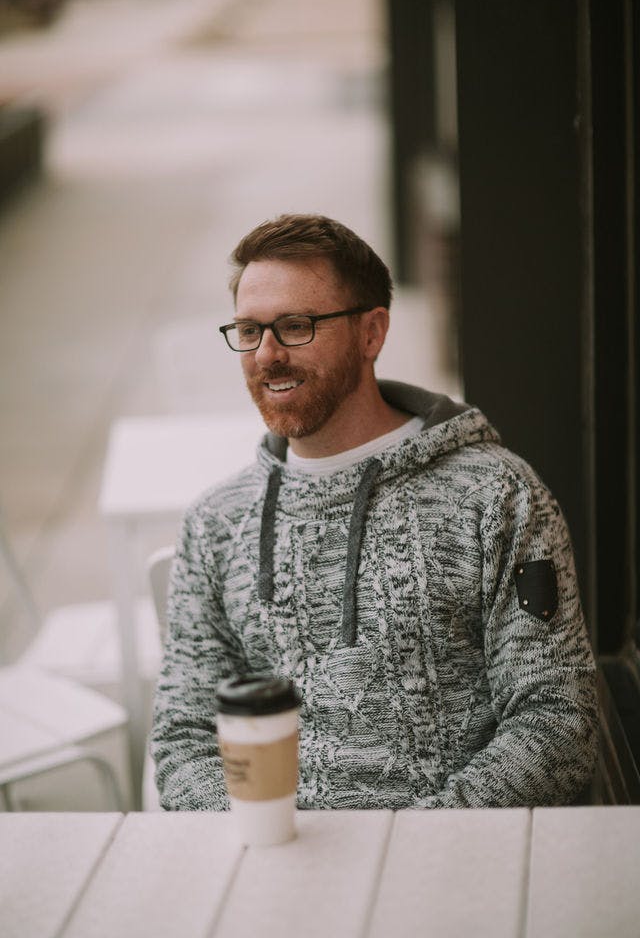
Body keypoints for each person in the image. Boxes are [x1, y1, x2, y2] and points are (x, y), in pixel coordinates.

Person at [150, 213, 599, 810]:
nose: (267, 355)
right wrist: (261, 834)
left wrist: (406, 846)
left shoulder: (496, 496)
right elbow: (185, 735)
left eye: (296, 326)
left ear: (372, 333)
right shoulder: (217, 523)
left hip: (448, 869)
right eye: (249, 330)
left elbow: (557, 720)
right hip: (277, 867)